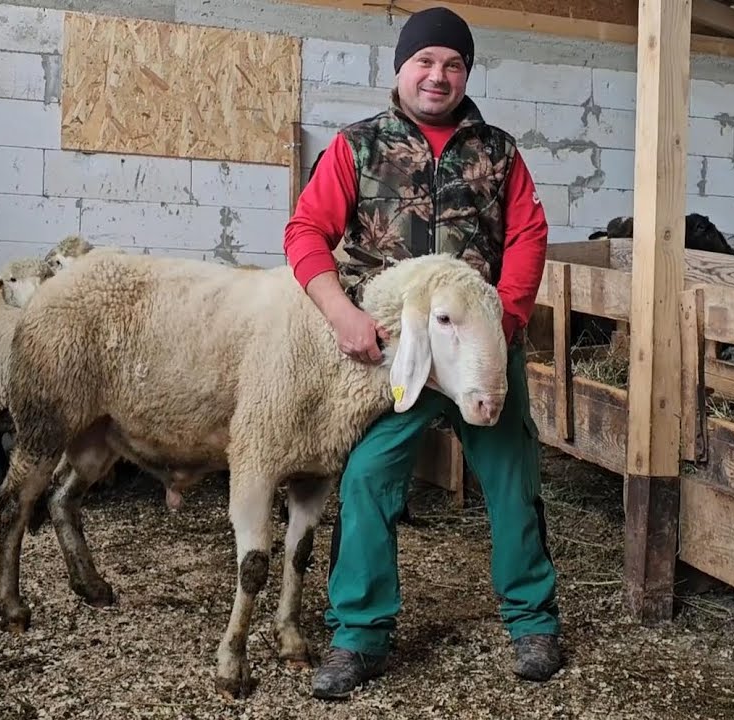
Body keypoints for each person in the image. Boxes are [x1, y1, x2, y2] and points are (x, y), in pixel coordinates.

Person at [282, 6, 562, 700]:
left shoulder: (498, 151)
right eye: (425, 62)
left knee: (512, 478)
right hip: (394, 353)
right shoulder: (358, 146)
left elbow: (528, 234)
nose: (438, 75)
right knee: (368, 479)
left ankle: (533, 623)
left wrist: (507, 319)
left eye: (453, 64)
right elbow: (305, 232)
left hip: (477, 349)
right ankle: (358, 635)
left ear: (466, 74)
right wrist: (342, 313)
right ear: (401, 68)